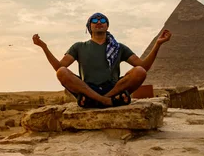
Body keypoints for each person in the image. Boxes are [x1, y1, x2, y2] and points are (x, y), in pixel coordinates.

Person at [32, 12, 172, 108]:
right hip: (88, 88)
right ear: (89, 26)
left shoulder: (118, 47)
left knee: (139, 71)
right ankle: (107, 101)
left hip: (112, 87)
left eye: (102, 20)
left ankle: (97, 101)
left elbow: (144, 67)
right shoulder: (79, 47)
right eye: (95, 20)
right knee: (62, 72)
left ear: (107, 26)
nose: (99, 22)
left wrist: (158, 44)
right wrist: (44, 47)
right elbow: (59, 67)